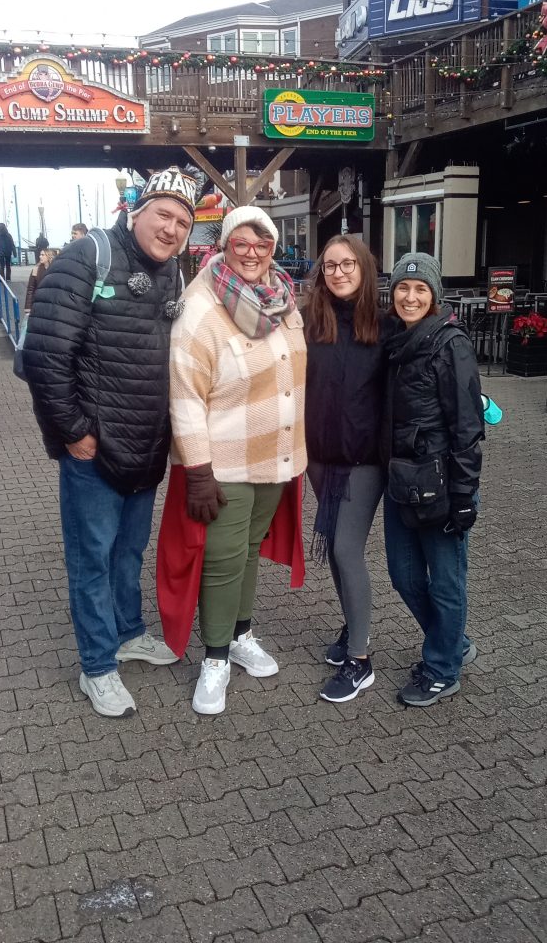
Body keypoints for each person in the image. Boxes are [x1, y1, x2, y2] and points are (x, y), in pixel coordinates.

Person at [21, 167, 197, 718]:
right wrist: (74, 433)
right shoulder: (87, 256)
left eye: (182, 223)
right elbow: (43, 356)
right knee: (91, 560)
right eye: (163, 214)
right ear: (135, 211)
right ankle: (97, 666)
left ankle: (127, 632)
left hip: (144, 449)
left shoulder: (173, 274)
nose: (171, 229)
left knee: (128, 552)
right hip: (94, 451)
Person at [169, 205, 306, 716]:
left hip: (274, 455)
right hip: (223, 462)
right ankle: (215, 657)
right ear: (225, 246)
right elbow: (185, 395)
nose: (252, 253)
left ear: (273, 248)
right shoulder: (201, 305)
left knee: (248, 551)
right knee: (223, 560)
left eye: (262, 244)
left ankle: (241, 634)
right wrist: (197, 471)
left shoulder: (283, 297)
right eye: (241, 243)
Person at [382, 254, 484, 708]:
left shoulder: (450, 344)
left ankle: (442, 669)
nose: (410, 297)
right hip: (402, 479)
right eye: (403, 288)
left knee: (445, 583)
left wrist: (463, 494)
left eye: (420, 289)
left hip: (441, 483)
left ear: (434, 295)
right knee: (404, 575)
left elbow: (467, 425)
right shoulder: (395, 342)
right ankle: (454, 642)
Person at [303, 235, 387, 703]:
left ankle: (360, 659)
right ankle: (353, 627)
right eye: (330, 265)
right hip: (319, 456)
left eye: (347, 264)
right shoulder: (308, 322)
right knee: (336, 552)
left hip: (364, 459)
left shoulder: (386, 326)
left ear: (364, 268)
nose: (338, 272)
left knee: (345, 548)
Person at [24, 247, 58, 315]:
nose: (40, 256)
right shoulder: (36, 269)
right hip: (39, 302)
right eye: (40, 255)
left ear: (49, 256)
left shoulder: (55, 269)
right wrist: (28, 308)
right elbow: (30, 289)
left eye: (43, 255)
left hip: (52, 304)